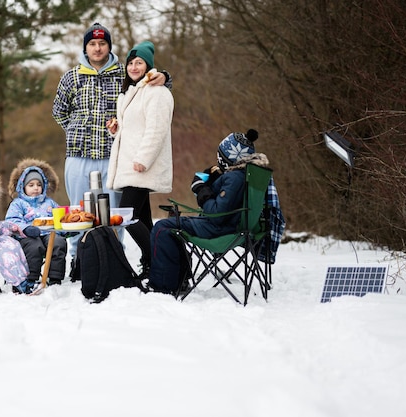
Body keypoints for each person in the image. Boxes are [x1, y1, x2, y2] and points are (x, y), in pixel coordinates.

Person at [52, 22, 171, 273]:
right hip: (78, 156)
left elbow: (152, 89)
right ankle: (79, 261)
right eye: (92, 44)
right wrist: (76, 131)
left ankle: (113, 260)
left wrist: (166, 76)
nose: (97, 48)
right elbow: (58, 111)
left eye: (102, 43)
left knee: (115, 215)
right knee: (79, 213)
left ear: (109, 46)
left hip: (113, 157)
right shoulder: (71, 76)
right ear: (85, 47)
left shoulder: (123, 73)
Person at [147, 130, 269, 294]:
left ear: (227, 157)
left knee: (162, 228)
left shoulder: (234, 179)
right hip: (236, 227)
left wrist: (202, 190)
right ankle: (178, 279)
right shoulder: (246, 174)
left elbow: (217, 214)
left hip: (219, 229)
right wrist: (214, 181)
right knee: (172, 228)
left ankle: (163, 285)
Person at [106, 40, 174, 278]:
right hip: (130, 165)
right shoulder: (130, 92)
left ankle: (162, 261)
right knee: (142, 219)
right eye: (131, 63)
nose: (134, 67)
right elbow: (135, 127)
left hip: (140, 165)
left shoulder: (158, 92)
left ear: (148, 66)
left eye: (139, 62)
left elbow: (157, 130)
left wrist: (143, 159)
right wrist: (116, 129)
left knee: (128, 216)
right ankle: (151, 265)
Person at [5, 158, 67, 286]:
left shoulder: (49, 203)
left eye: (39, 185)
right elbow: (12, 220)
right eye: (31, 185)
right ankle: (30, 278)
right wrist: (25, 228)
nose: (36, 188)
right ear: (23, 186)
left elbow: (60, 217)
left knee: (59, 242)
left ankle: (55, 277)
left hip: (49, 234)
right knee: (34, 247)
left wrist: (67, 229)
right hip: (27, 235)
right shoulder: (18, 203)